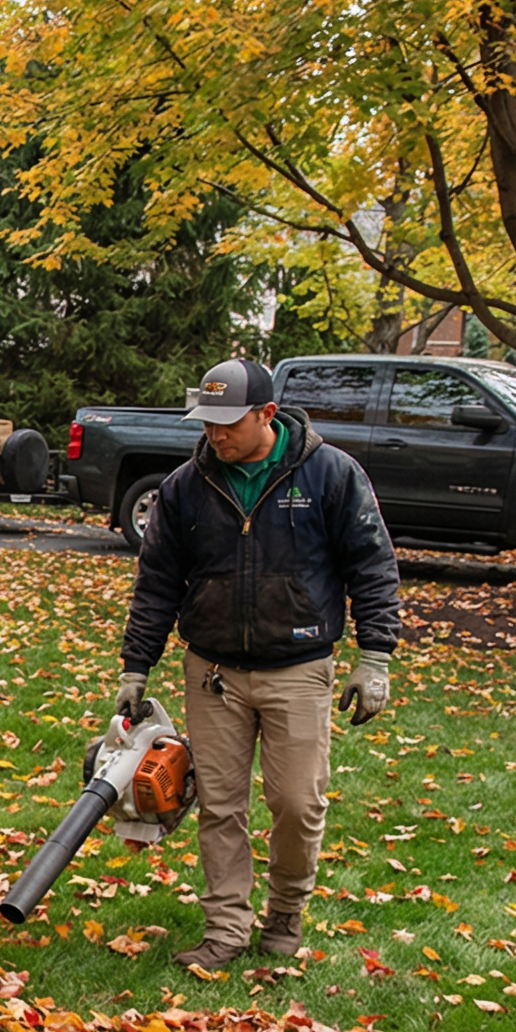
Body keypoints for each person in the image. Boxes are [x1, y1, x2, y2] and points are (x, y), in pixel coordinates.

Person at [117, 356, 402, 971]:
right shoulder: (185, 486)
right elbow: (157, 583)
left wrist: (374, 658)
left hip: (299, 666)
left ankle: (285, 911)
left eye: (229, 423)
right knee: (220, 805)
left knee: (298, 803)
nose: (216, 435)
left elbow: (373, 567)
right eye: (208, 423)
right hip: (214, 670)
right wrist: (135, 668)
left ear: (267, 414)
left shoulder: (329, 474)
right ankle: (225, 929)